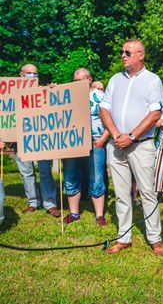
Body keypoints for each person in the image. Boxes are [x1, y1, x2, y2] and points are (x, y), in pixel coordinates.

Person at [99, 39, 163, 256]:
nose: (123, 55)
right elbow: (104, 109)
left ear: (140, 55)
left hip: (141, 145)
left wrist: (132, 136)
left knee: (148, 193)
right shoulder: (115, 80)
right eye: (122, 52)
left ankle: (155, 238)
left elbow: (155, 114)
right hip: (116, 144)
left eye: (128, 52)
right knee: (121, 194)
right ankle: (124, 237)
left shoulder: (152, 80)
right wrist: (116, 135)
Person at [61, 68, 109, 226]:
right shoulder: (66, 95)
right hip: (72, 142)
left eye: (80, 80)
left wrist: (103, 138)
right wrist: (52, 90)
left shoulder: (101, 97)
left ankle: (99, 215)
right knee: (70, 175)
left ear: (89, 80)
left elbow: (112, 119)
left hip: (95, 141)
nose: (76, 83)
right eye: (74, 80)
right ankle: (74, 213)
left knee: (96, 176)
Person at [13, 64, 59, 217]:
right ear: (21, 74)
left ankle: (50, 203)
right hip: (20, 138)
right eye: (29, 73)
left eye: (35, 73)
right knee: (26, 171)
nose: (33, 76)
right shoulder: (11, 93)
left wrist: (54, 91)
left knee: (45, 170)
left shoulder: (42, 90)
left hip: (40, 138)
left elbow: (55, 105)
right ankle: (33, 202)